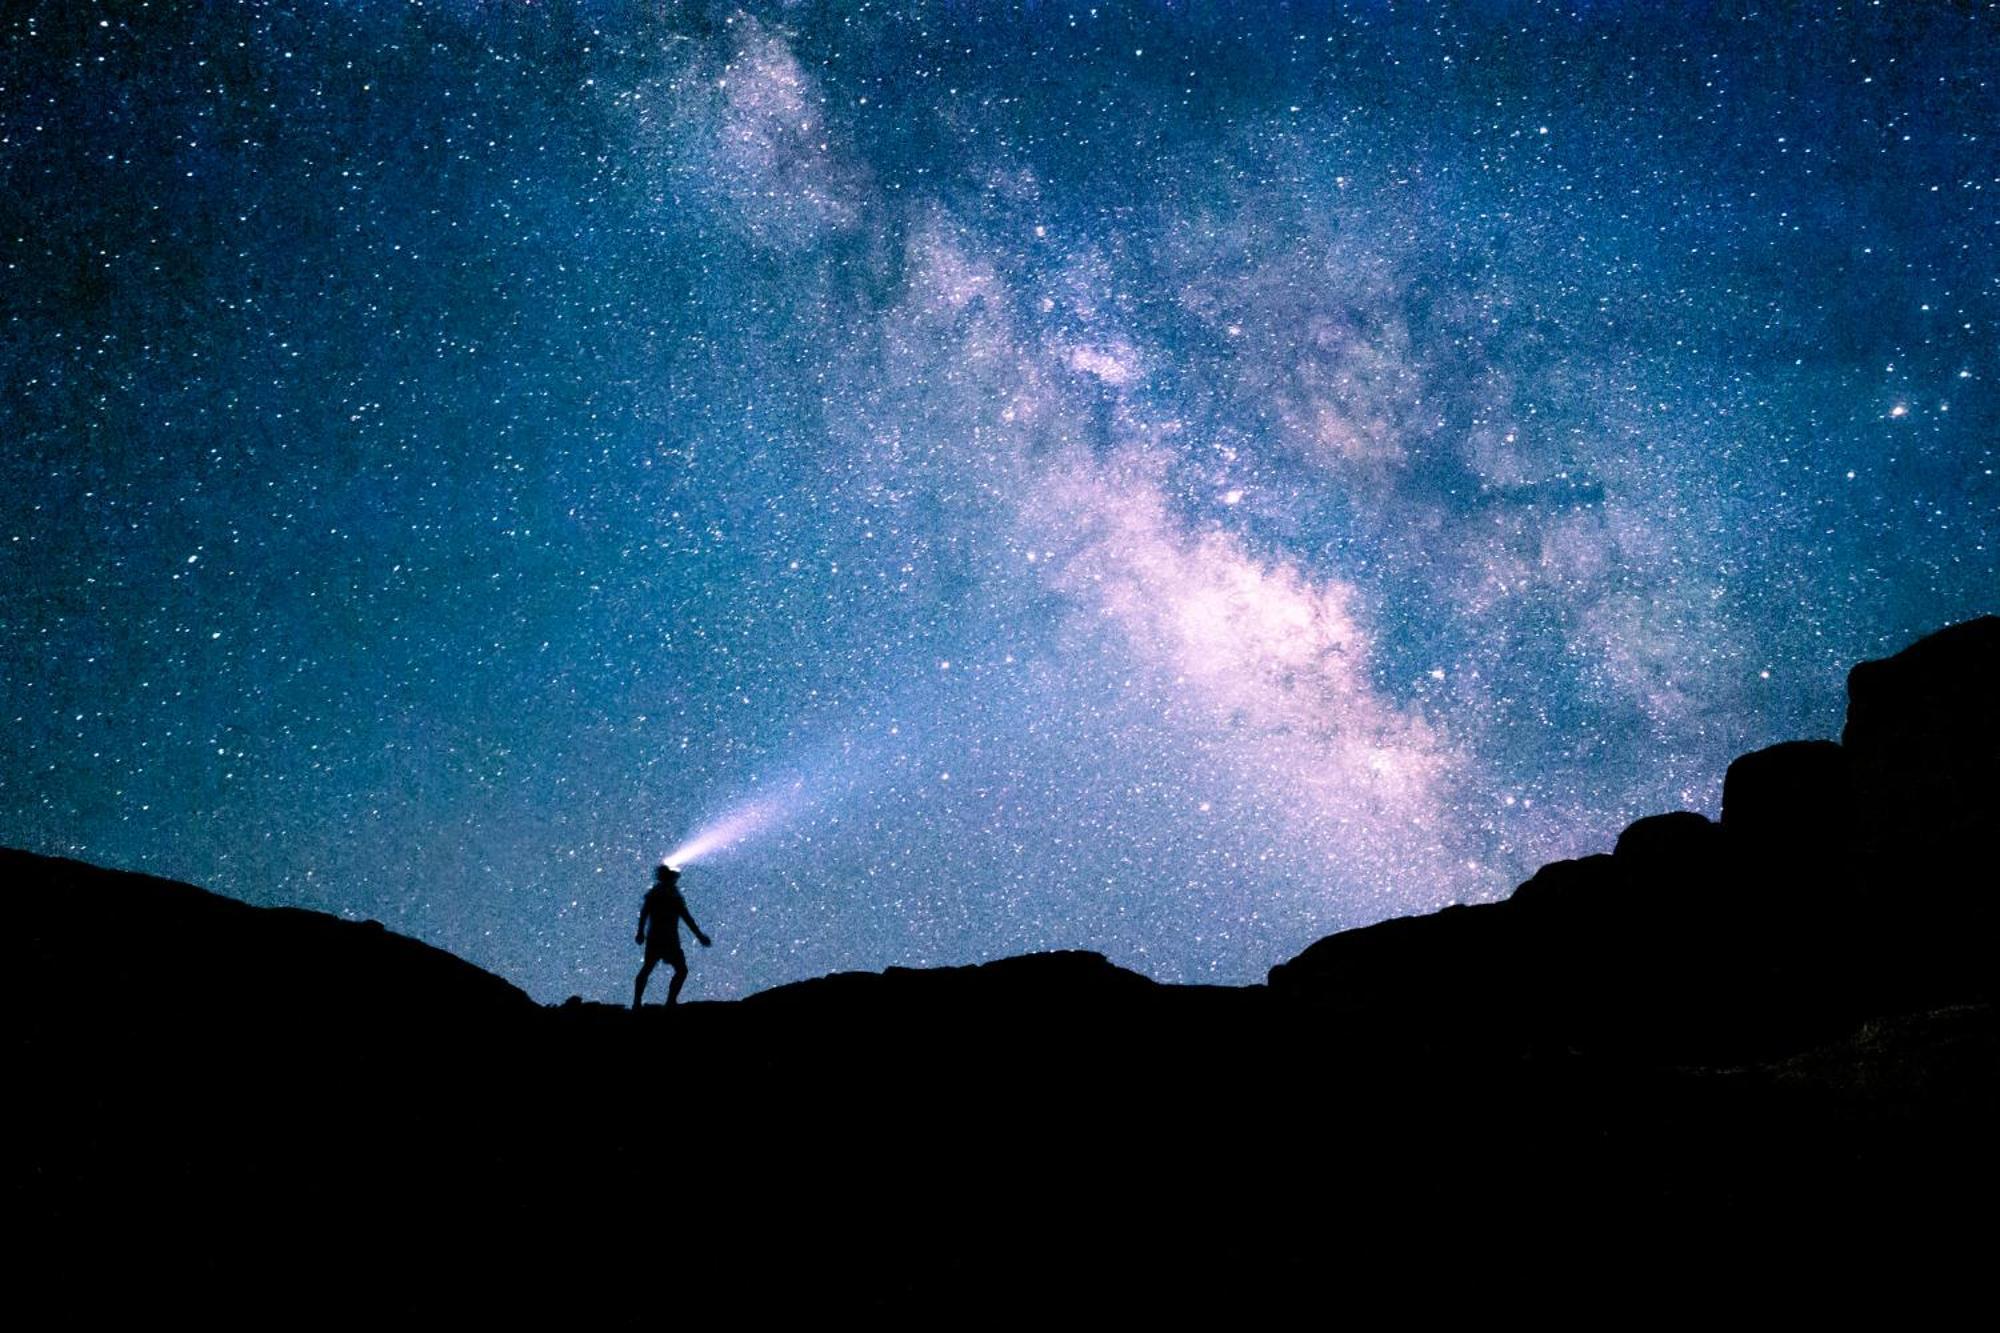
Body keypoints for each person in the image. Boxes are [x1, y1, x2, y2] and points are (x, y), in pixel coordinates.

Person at [633, 864, 711, 1009]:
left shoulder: (654, 894)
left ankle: (637, 1002)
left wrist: (640, 932)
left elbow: (644, 914)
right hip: (669, 939)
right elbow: (687, 918)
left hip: (655, 938)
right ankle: (670, 1002)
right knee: (681, 970)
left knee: (647, 968)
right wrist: (700, 936)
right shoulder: (673, 896)